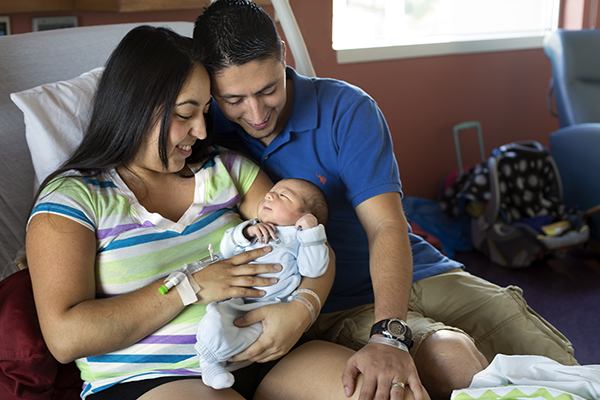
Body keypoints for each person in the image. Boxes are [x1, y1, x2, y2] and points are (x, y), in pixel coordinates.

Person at [193, 1, 578, 399]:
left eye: (268, 90)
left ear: (283, 57)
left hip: (423, 269)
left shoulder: (347, 108)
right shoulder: (206, 130)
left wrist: (389, 333)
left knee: (560, 368)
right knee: (456, 364)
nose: (255, 113)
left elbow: (386, 225)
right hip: (341, 302)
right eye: (233, 99)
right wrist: (386, 337)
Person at [25, 25, 397, 400]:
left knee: (385, 392)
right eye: (186, 114)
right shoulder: (74, 199)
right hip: (151, 377)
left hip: (270, 358)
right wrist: (189, 287)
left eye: (206, 112)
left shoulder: (228, 170)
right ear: (136, 107)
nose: (202, 131)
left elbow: (310, 241)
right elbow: (64, 337)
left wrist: (303, 309)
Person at [196, 178, 330, 389]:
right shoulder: (252, 229)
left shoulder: (301, 239)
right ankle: (209, 364)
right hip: (238, 299)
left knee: (252, 336)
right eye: (271, 191)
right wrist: (247, 232)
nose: (269, 195)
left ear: (306, 217)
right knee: (215, 320)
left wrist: (312, 235)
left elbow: (314, 269)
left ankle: (222, 363)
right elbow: (227, 248)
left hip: (272, 307)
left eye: (283, 195)